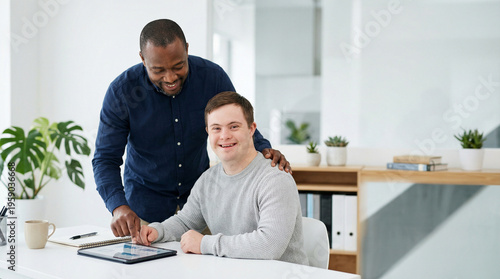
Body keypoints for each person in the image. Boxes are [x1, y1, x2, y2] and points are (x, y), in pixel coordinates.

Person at [92, 19, 291, 239]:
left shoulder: (212, 78)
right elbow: (105, 159)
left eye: (178, 66)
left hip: (202, 209)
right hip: (144, 213)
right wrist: (118, 205)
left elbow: (237, 119)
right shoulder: (122, 93)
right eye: (158, 70)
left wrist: (264, 150)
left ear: (187, 49)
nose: (170, 78)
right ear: (142, 59)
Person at [135, 91, 307, 265]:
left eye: (233, 126)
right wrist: (158, 231)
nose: (224, 136)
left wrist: (205, 244)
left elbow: (269, 245)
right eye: (216, 128)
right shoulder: (207, 180)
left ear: (251, 129)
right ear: (208, 132)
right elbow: (186, 222)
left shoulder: (275, 179)